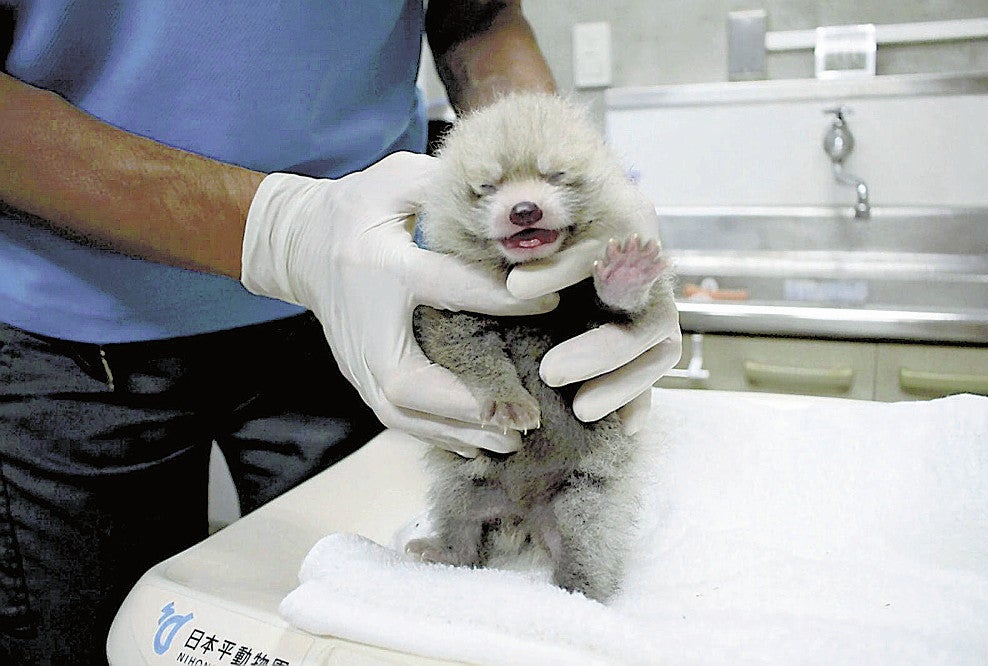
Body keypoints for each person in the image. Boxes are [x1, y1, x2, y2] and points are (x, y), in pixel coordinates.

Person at [0, 1, 681, 662]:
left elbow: (477, 17)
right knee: (95, 636)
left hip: (358, 312)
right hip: (76, 327)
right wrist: (279, 231)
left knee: (357, 631)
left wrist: (586, 190)